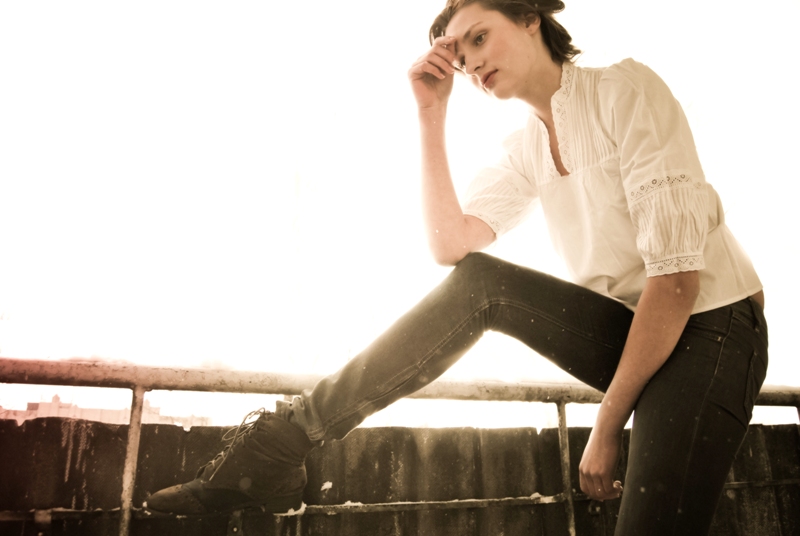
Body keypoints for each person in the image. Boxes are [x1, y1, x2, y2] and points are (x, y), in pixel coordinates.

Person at [144, 1, 768, 533]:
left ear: (529, 17)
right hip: (633, 333)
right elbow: (451, 246)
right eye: (461, 58)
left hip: (711, 330)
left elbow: (677, 281)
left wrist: (607, 423)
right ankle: (283, 443)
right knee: (481, 284)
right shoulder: (527, 148)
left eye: (479, 37)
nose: (472, 64)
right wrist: (430, 112)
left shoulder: (624, 91)